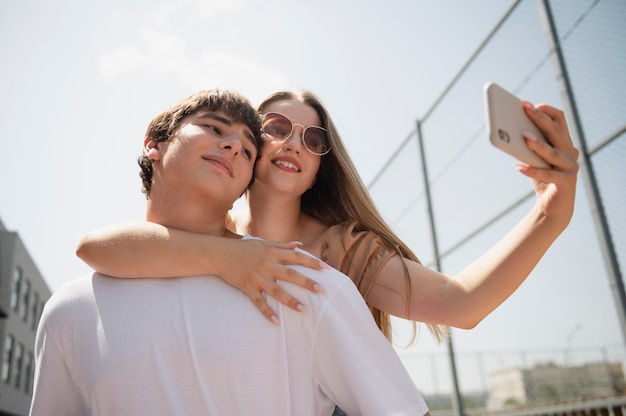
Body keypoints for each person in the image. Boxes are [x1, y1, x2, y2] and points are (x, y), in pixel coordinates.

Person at [30, 89, 430, 416]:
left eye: (249, 148)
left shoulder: (302, 283)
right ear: (154, 143)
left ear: (245, 183)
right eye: (214, 127)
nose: (235, 145)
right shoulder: (69, 310)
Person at [76, 89, 579, 344]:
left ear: (318, 170)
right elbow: (97, 247)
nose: (295, 141)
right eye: (275, 127)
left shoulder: (342, 248)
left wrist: (550, 215)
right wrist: (225, 254)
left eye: (313, 140)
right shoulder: (212, 233)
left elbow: (460, 304)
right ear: (247, 151)